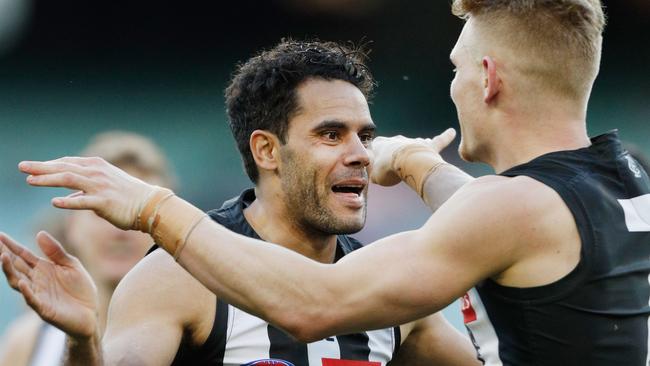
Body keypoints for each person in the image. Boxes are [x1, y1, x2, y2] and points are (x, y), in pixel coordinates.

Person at [1, 40, 479, 365]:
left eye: (365, 136)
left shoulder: (385, 293)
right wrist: (83, 343)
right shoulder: (173, 278)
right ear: (267, 150)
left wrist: (427, 171)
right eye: (331, 134)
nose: (360, 154)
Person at [0, 131, 176, 366]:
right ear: (72, 224)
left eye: (138, 214)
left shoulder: (202, 335)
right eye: (100, 211)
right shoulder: (28, 342)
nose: (119, 230)